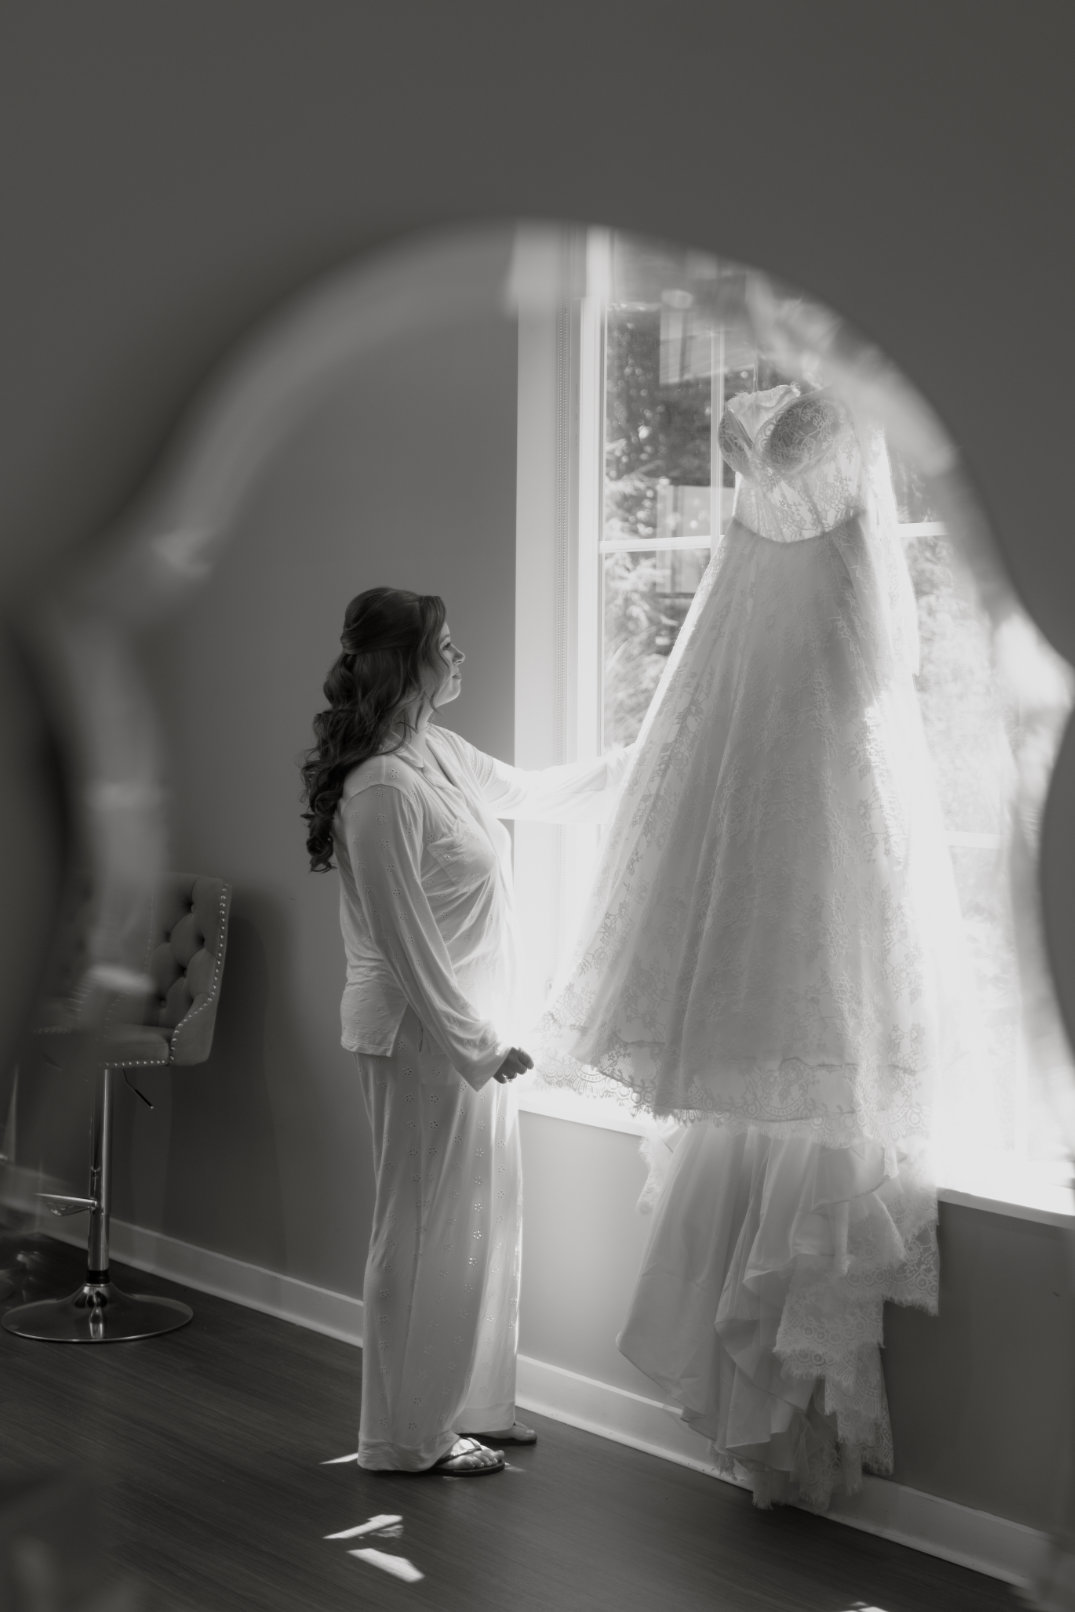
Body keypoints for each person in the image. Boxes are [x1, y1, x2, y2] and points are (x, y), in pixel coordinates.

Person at [534, 381, 975, 1509]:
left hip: (768, 772)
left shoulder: (762, 450)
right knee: (812, 1056)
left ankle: (770, 1422)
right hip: (813, 774)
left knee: (802, 1066)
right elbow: (893, 648)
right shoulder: (843, 459)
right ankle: (776, 1418)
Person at [301, 586, 631, 1476]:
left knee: (478, 1219)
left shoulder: (437, 752)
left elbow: (541, 793)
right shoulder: (379, 788)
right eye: (446, 645)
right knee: (416, 1228)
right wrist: (477, 1045)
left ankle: (468, 1403)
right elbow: (404, 939)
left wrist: (657, 754)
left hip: (469, 1034)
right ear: (407, 661)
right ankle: (402, 1439)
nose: (460, 657)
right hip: (420, 1038)